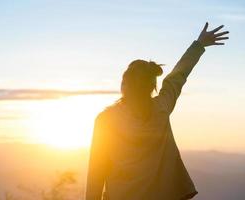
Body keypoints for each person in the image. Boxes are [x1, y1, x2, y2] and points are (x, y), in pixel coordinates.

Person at [85, 22, 229, 200]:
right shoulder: (161, 108)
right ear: (152, 86)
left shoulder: (106, 120)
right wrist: (199, 45)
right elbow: (177, 76)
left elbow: (96, 174)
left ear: (124, 85)